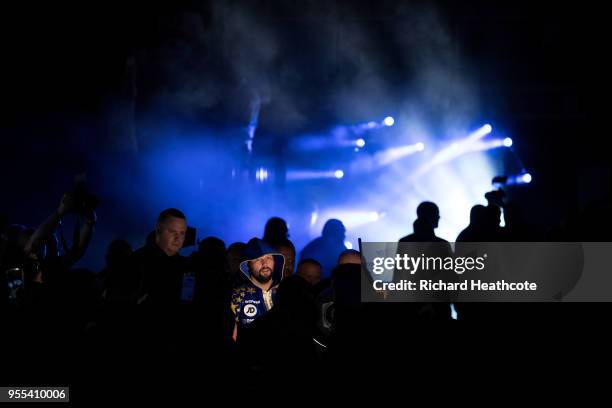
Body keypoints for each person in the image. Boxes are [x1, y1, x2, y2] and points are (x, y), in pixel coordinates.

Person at [230, 238, 284, 341]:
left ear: (275, 261)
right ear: (247, 264)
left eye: (268, 257)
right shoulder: (237, 295)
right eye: (258, 259)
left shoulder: (287, 293)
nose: (265, 264)